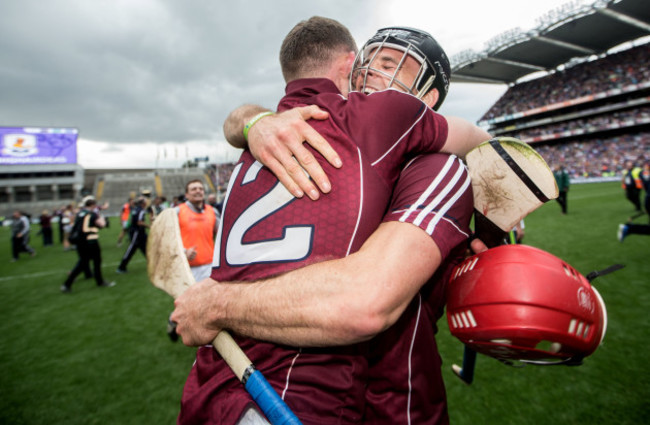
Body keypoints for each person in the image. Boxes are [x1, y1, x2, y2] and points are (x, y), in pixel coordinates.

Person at [172, 19, 487, 424]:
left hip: (388, 396)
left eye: (392, 63)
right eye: (369, 61)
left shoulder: (433, 164)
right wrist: (251, 120)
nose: (374, 71)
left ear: (427, 97)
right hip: (301, 392)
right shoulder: (314, 131)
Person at [167, 180, 220, 342]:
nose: (198, 191)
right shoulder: (177, 212)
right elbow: (167, 238)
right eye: (193, 189)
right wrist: (183, 252)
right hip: (187, 268)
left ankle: (207, 337)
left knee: (209, 303)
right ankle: (172, 323)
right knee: (187, 304)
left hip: (210, 265)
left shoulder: (212, 211)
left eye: (200, 188)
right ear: (187, 194)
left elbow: (223, 235)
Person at [61, 197, 115, 293]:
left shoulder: (80, 214)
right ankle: (68, 284)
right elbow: (101, 225)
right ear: (93, 205)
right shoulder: (92, 214)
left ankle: (68, 283)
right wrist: (103, 219)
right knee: (95, 261)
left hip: (79, 241)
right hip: (90, 240)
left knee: (83, 262)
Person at [116, 197, 149, 273]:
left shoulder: (134, 209)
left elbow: (131, 220)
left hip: (138, 233)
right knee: (131, 249)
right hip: (137, 233)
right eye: (145, 201)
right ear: (143, 203)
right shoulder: (141, 211)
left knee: (146, 249)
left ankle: (153, 265)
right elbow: (139, 222)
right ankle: (121, 267)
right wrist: (149, 226)